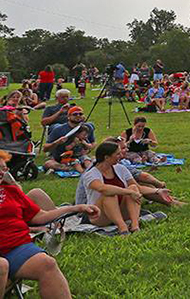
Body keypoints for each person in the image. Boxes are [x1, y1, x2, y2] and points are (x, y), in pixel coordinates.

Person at [0, 150, 100, 298]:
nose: (2, 173)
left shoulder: (10, 191)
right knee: (1, 265)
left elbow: (39, 215)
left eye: (3, 168)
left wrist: (75, 208)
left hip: (15, 246)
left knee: (47, 264)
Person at [80, 141, 143, 234]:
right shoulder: (91, 174)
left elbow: (138, 188)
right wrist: (128, 192)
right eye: (117, 154)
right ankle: (122, 228)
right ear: (106, 157)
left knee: (133, 187)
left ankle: (135, 225)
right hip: (99, 215)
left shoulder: (120, 168)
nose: (121, 156)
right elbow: (102, 188)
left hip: (120, 210)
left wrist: (157, 191)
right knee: (109, 195)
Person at [42, 107, 95, 173]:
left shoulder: (87, 128)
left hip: (81, 156)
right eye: (75, 114)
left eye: (80, 114)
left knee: (94, 159)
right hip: (62, 159)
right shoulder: (59, 129)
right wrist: (57, 142)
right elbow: (45, 149)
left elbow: (93, 143)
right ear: (68, 117)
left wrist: (87, 149)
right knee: (49, 163)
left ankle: (85, 169)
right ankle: (71, 168)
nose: (78, 115)